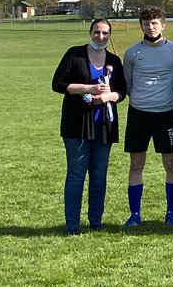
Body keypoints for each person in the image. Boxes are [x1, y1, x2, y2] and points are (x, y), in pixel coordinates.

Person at [52, 18, 127, 236]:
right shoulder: (74, 55)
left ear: (110, 35)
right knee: (76, 175)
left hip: (103, 125)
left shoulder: (114, 60)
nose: (100, 37)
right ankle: (72, 226)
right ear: (90, 32)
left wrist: (108, 97)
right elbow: (58, 84)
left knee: (99, 175)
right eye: (97, 32)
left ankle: (96, 222)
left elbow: (122, 91)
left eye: (105, 33)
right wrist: (89, 88)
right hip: (76, 125)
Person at [121, 6, 173, 227]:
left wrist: (170, 103)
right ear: (141, 25)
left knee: (170, 163)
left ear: (163, 25)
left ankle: (171, 213)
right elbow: (128, 84)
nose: (151, 27)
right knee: (136, 164)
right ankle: (134, 215)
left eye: (155, 23)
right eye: (146, 23)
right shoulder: (132, 53)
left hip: (165, 115)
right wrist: (141, 101)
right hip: (138, 114)